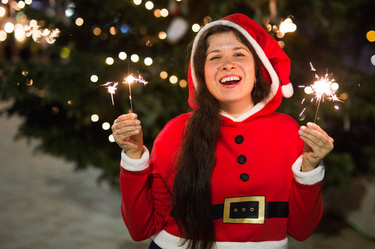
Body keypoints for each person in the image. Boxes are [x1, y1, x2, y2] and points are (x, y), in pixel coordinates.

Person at [112, 13, 334, 249]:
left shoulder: (290, 132)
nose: (228, 64)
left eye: (239, 54)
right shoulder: (176, 131)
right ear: (201, 73)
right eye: (214, 57)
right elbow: (141, 229)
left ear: (259, 67)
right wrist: (134, 159)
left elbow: (301, 231)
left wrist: (309, 170)